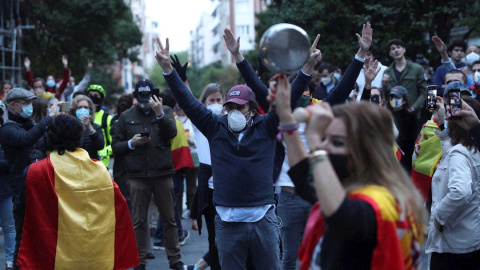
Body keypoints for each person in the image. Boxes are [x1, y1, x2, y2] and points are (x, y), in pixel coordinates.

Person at [269, 75, 425, 269]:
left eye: (336, 142)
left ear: (364, 152)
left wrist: (314, 140)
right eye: (325, 138)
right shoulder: (352, 189)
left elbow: (341, 215)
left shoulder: (379, 204)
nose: (324, 147)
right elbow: (304, 178)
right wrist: (285, 116)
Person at [157, 37, 281, 270]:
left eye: (240, 107)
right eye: (230, 107)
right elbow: (190, 103)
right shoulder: (215, 127)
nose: (234, 111)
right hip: (227, 221)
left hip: (263, 218)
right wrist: (168, 71)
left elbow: (282, 101)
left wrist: (239, 59)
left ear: (252, 109)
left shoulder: (266, 127)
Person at [14, 114, 138, 269]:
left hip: (50, 255)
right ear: (80, 138)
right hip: (94, 255)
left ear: (49, 137)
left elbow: (22, 216)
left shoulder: (35, 172)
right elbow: (116, 209)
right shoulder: (98, 169)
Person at [111, 79, 186, 270]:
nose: (145, 100)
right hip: (137, 175)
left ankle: (175, 260)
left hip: (163, 173)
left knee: (169, 218)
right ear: (136, 96)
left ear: (153, 95)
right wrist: (131, 143)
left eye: (148, 95)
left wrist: (159, 113)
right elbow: (115, 147)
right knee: (139, 221)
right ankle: (140, 261)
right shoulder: (125, 116)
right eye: (141, 96)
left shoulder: (166, 111)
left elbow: (171, 133)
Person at [425, 96, 480, 269]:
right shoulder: (471, 149)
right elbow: (450, 148)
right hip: (467, 240)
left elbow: (460, 192)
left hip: (453, 247)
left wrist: (438, 217)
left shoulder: (459, 154)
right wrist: (442, 122)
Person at [0, 88, 58, 195]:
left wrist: (57, 120)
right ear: (13, 105)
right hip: (21, 185)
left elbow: (48, 143)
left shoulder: (30, 125)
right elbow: (26, 139)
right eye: (25, 103)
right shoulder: (7, 129)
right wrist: (49, 117)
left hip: (39, 179)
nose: (30, 106)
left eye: (30, 102)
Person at [383, 38, 427, 118]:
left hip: (413, 114)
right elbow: (386, 96)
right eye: (393, 49)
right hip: (395, 114)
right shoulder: (387, 72)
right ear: (390, 53)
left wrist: (413, 107)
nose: (396, 50)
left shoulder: (417, 69)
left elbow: (423, 92)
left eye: (399, 47)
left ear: (404, 50)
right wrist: (384, 86)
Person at [111, 93, 135, 210]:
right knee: (126, 203)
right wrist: (132, 142)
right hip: (123, 171)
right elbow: (115, 146)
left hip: (141, 170)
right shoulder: (116, 122)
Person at [0, 105, 15, 270]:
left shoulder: (6, 133)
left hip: (5, 188)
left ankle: (10, 260)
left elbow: (11, 160)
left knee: (9, 227)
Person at [69, 95, 105, 160]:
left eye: (86, 107)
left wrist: (90, 127)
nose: (83, 109)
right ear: (74, 110)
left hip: (91, 164)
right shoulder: (69, 127)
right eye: (80, 107)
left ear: (90, 110)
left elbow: (100, 146)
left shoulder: (96, 127)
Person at [86, 84, 113, 168]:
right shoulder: (81, 115)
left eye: (96, 95)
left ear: (101, 98)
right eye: (90, 95)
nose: (92, 97)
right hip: (84, 162)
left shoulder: (107, 118)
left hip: (102, 163)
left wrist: (106, 151)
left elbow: (114, 141)